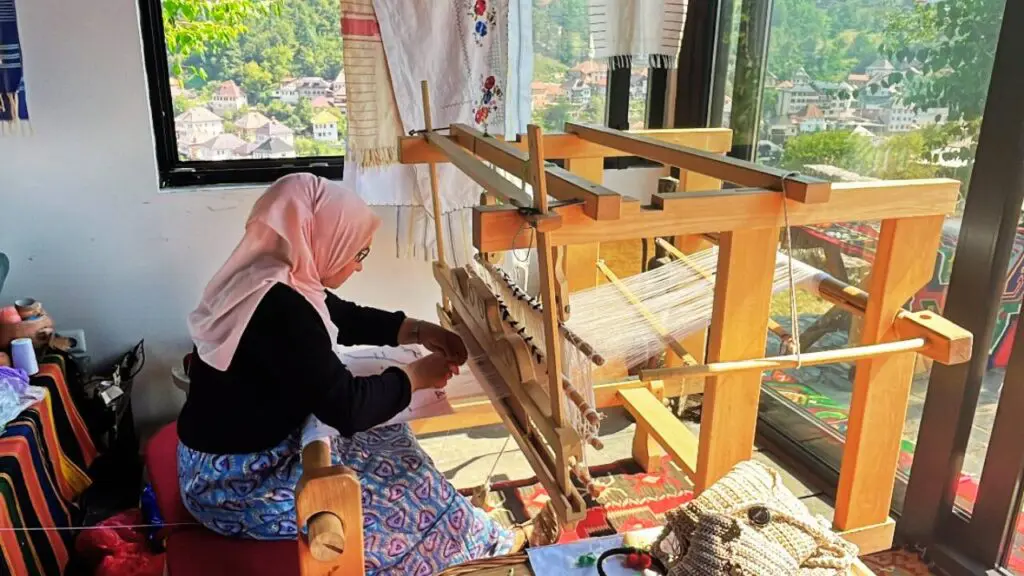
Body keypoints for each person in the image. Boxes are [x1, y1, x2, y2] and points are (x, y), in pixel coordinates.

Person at [176, 173, 519, 574]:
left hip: (222, 456)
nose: (358, 267)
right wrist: (416, 376)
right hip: (236, 486)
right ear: (321, 238)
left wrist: (417, 329)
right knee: (412, 493)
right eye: (359, 254)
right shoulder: (281, 308)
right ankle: (483, 551)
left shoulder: (269, 276)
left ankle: (464, 525)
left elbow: (342, 316)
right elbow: (347, 410)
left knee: (391, 435)